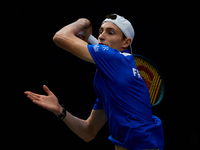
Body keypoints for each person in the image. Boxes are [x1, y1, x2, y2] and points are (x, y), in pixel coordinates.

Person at [24, 14, 164, 150]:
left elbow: (60, 37)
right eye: (101, 31)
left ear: (126, 42)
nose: (102, 36)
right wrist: (60, 111)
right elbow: (88, 132)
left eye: (111, 32)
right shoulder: (107, 79)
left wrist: (83, 21)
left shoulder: (115, 59)